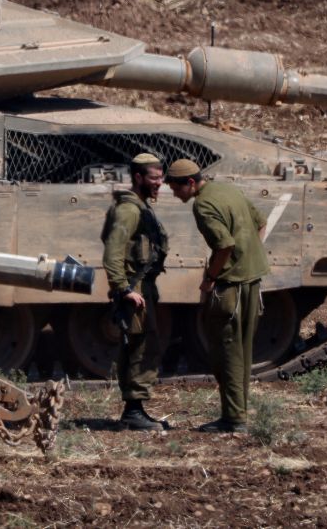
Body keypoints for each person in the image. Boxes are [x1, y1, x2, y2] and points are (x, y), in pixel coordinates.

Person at [166, 158, 269, 433]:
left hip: (230, 287)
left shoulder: (203, 204)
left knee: (227, 353)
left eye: (176, 188)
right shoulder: (228, 190)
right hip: (252, 281)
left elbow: (224, 244)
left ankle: (234, 419)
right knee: (243, 351)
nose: (174, 194)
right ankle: (238, 412)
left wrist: (210, 278)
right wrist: (247, 257)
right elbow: (261, 222)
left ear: (190, 183)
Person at [100, 152, 169, 431]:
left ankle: (136, 409)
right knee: (141, 347)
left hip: (141, 285)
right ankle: (133, 410)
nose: (160, 183)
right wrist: (123, 288)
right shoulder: (129, 210)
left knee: (144, 344)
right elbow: (113, 252)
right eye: (154, 177)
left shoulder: (138, 206)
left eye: (161, 177)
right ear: (138, 177)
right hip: (135, 287)